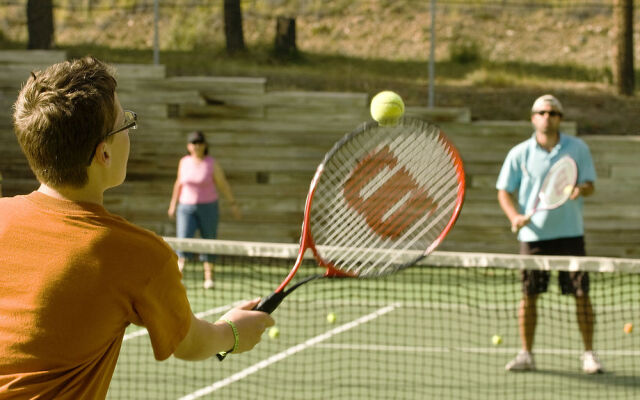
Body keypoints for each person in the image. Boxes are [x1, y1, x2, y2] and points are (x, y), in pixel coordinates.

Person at [0, 57, 274, 399]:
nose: (130, 130)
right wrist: (232, 332)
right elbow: (191, 342)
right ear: (104, 154)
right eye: (124, 123)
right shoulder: (138, 254)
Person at [496, 94, 600, 374]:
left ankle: (589, 355)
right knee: (529, 296)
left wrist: (581, 190)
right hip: (533, 237)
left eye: (553, 113)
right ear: (533, 117)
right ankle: (526, 354)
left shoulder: (577, 148)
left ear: (560, 118)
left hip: (570, 234)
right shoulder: (520, 153)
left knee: (581, 295)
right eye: (541, 112)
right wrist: (515, 216)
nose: (547, 117)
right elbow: (504, 190)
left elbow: (590, 183)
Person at [167, 131, 241, 289]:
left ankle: (208, 278)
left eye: (200, 142)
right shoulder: (184, 162)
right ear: (189, 146)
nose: (197, 146)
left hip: (208, 207)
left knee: (208, 240)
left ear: (205, 145)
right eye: (194, 143)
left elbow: (223, 184)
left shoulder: (211, 163)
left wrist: (232, 203)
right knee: (183, 241)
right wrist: (173, 204)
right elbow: (178, 183)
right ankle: (179, 277)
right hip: (186, 207)